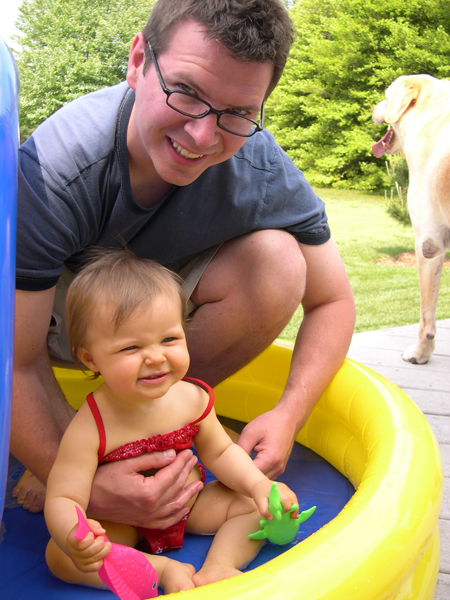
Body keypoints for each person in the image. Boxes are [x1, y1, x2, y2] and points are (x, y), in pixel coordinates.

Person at [12, 0, 355, 524]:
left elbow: (333, 299)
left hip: (157, 314)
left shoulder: (259, 166)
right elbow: (12, 359)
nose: (202, 135)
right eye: (187, 92)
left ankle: (154, 421)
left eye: (238, 113)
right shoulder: (60, 167)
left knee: (278, 262)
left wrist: (289, 414)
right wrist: (78, 482)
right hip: (58, 320)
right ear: (137, 60)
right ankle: (86, 445)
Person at [44, 249, 299, 592]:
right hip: (123, 522)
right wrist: (76, 534)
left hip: (190, 503)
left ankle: (219, 566)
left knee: (255, 507)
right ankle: (161, 569)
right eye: (131, 348)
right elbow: (64, 497)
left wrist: (258, 486)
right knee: (60, 557)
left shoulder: (193, 398)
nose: (155, 357)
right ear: (90, 359)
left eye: (169, 339)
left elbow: (222, 454)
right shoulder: (91, 425)